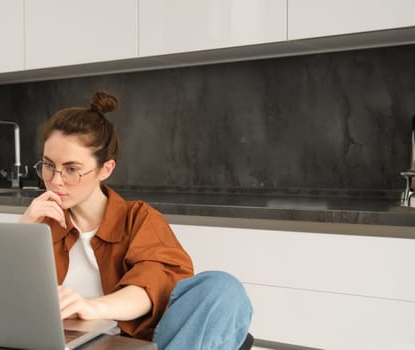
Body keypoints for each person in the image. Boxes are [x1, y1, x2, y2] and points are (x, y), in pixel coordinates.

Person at [19, 91, 253, 349]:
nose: (55, 179)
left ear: (105, 169)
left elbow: (152, 287)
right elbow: (4, 305)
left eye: (72, 169)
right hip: (60, 344)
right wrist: (22, 233)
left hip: (129, 344)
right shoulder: (39, 222)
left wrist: (91, 307)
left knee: (222, 289)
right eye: (49, 165)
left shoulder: (138, 218)